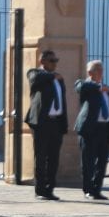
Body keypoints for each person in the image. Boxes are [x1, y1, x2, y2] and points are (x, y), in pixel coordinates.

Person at [26, 49, 67, 201]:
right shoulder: (35, 73)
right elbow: (34, 78)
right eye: (51, 60)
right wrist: (52, 76)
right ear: (42, 61)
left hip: (56, 122)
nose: (54, 63)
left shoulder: (58, 79)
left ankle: (50, 189)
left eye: (56, 61)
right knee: (41, 156)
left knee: (54, 158)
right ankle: (40, 190)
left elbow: (62, 101)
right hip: (42, 122)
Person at [74, 60, 109, 200]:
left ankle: (97, 189)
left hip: (104, 129)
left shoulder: (106, 89)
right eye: (97, 69)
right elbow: (80, 87)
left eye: (102, 69)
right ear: (90, 72)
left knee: (102, 162)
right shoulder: (86, 85)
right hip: (90, 129)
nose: (101, 72)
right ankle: (88, 190)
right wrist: (98, 88)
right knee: (88, 161)